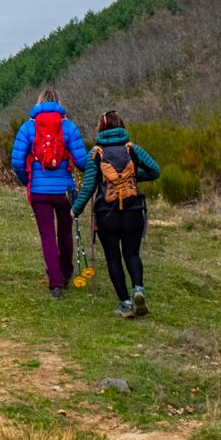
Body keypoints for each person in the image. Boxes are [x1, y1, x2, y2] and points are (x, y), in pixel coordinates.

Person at [72, 110, 161, 318]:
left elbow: (88, 187)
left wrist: (75, 209)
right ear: (121, 125)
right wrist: (132, 177)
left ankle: (125, 303)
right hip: (133, 211)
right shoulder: (133, 149)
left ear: (101, 129)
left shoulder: (95, 153)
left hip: (107, 215)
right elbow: (155, 170)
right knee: (132, 253)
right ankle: (138, 289)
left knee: (113, 257)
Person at [10, 89, 91, 299]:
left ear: (38, 103)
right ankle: (66, 273)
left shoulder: (28, 127)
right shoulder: (68, 127)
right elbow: (83, 162)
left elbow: (17, 161)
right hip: (64, 189)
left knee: (47, 236)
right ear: (58, 103)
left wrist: (27, 180)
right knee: (64, 233)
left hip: (38, 190)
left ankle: (55, 283)